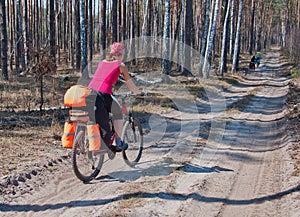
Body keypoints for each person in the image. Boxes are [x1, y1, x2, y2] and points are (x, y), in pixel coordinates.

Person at [87, 42, 143, 152]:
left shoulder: (102, 62)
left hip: (90, 92)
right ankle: (118, 142)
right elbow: (130, 84)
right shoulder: (121, 66)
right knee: (118, 113)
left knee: (102, 114)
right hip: (104, 94)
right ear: (121, 54)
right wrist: (139, 92)